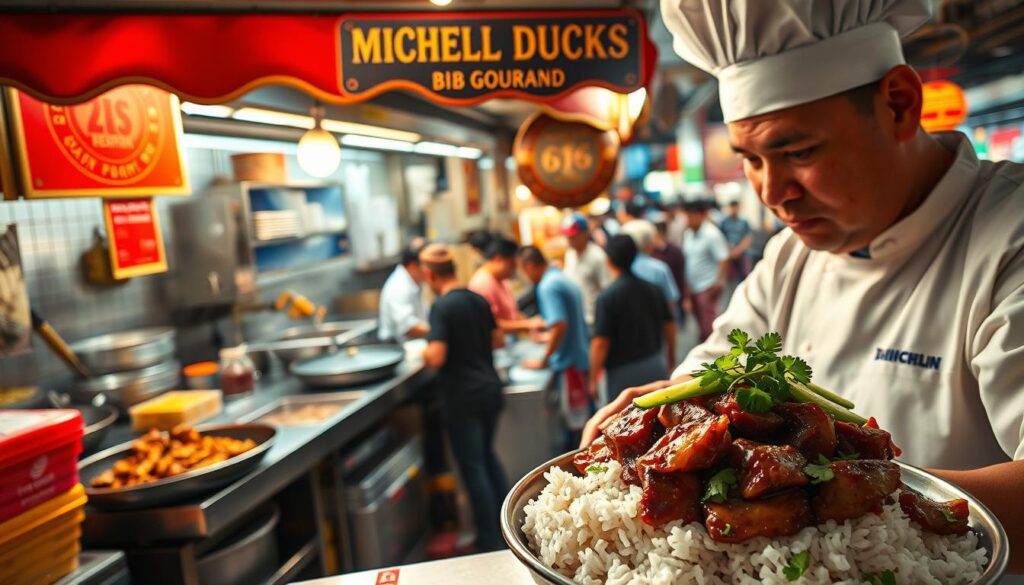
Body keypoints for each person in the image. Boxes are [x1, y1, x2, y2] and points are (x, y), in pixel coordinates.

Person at [583, 0, 1024, 570]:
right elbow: (719, 363)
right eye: (750, 159)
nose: (772, 191)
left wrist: (829, 489)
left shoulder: (1008, 237)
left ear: (899, 104)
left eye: (798, 152)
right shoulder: (791, 254)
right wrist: (669, 401)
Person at [419, 243, 507, 552]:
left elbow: (437, 356)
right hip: (489, 389)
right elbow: (498, 339)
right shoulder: (477, 299)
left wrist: (424, 352)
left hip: (463, 397)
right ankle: (508, 528)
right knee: (487, 459)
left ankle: (488, 540)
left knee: (473, 466)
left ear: (430, 275)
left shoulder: (441, 307)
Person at [516, 245, 592, 445]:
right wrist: (546, 338)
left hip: (570, 364)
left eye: (524, 271)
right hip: (580, 357)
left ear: (530, 265)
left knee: (576, 429)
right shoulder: (561, 277)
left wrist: (544, 359)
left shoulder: (547, 286)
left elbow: (559, 324)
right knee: (582, 421)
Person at [590, 235, 675, 402]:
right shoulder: (653, 289)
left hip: (622, 375)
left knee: (625, 424)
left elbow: (600, 343)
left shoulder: (607, 297)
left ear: (608, 260)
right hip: (655, 364)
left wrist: (593, 379)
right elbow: (670, 325)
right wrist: (671, 355)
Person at [468, 236, 544, 335]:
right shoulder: (481, 284)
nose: (514, 270)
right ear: (498, 259)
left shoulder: (501, 279)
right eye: (512, 265)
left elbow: (512, 313)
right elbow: (491, 324)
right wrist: (528, 324)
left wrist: (532, 326)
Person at [680, 199, 730, 341]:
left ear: (701, 215)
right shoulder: (688, 234)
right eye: (686, 216)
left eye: (690, 216)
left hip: (707, 286)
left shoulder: (711, 234)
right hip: (693, 287)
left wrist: (718, 283)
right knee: (700, 324)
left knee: (708, 326)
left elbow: (723, 258)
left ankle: (715, 356)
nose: (687, 220)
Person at [621, 219, 682, 335]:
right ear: (650, 243)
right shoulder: (659, 269)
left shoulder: (620, 268)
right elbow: (671, 303)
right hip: (656, 330)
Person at [561, 212, 611, 327]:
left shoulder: (598, 256)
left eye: (573, 236)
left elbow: (607, 289)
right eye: (568, 236)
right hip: (575, 319)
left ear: (585, 234)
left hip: (593, 320)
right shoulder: (569, 254)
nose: (570, 240)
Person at [377, 240, 429, 343]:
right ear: (414, 265)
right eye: (427, 264)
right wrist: (440, 331)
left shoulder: (416, 282)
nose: (431, 269)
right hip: (395, 346)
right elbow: (408, 328)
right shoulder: (399, 286)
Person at [650, 219, 689, 323]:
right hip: (655, 297)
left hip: (673, 296)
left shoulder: (675, 251)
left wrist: (686, 298)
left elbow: (682, 275)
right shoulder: (650, 252)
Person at [719, 200, 754, 282]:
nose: (734, 209)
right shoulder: (724, 222)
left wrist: (738, 250)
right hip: (729, 253)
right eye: (732, 207)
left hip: (742, 253)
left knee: (746, 276)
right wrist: (730, 250)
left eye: (736, 207)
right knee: (730, 279)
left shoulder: (744, 222)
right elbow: (721, 237)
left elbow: (748, 238)